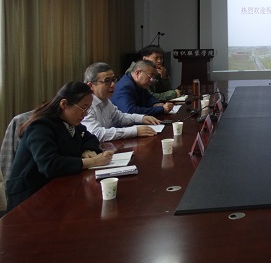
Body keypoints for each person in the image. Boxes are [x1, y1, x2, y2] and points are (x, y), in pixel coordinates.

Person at [5, 82, 114, 211]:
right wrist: (93, 161)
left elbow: (90, 138)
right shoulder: (40, 127)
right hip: (29, 197)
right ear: (64, 104)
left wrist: (86, 150)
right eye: (83, 108)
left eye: (88, 109)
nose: (85, 114)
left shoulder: (70, 122)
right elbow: (50, 165)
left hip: (56, 187)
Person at [83, 62, 161, 142]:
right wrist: (134, 131)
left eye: (113, 80)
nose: (113, 85)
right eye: (107, 81)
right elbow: (97, 134)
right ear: (91, 86)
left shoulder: (106, 101)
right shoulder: (85, 106)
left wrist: (142, 118)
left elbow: (120, 118)